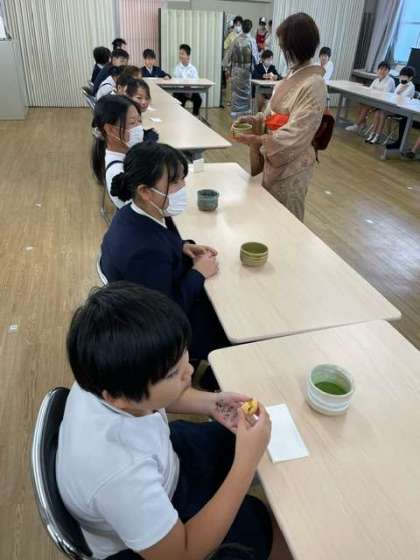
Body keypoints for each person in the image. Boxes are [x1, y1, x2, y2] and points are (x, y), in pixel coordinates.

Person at [56, 282, 291, 560]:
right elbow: (182, 554)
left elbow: (149, 399)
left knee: (236, 439)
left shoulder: (103, 374)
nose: (190, 370)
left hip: (165, 463)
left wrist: (211, 403)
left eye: (184, 357)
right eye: (173, 373)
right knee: (260, 524)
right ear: (117, 397)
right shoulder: (119, 472)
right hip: (152, 542)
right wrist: (245, 463)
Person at [100, 143, 230, 360]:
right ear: (145, 191)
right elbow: (168, 310)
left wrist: (182, 246)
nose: (183, 186)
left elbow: (158, 240)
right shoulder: (145, 251)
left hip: (149, 300)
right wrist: (198, 273)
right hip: (165, 330)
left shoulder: (133, 213)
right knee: (232, 321)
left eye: (182, 178)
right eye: (175, 181)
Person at [233, 12, 326, 222]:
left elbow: (297, 133)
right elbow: (270, 115)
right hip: (275, 155)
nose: (283, 52)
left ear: (295, 47)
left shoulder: (314, 84)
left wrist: (258, 139)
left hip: (293, 163)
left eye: (285, 47)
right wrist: (254, 121)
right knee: (267, 215)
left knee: (286, 219)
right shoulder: (291, 76)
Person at [91, 95, 142, 209]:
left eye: (139, 121)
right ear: (110, 129)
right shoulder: (117, 173)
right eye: (132, 123)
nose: (139, 128)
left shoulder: (125, 153)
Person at [345, 61, 395, 134]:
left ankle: (357, 125)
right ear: (378, 70)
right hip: (375, 101)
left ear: (388, 71)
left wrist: (374, 92)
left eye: (385, 70)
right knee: (361, 104)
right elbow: (369, 91)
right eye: (381, 69)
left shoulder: (390, 81)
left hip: (384, 105)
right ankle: (363, 123)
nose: (382, 71)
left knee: (365, 106)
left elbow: (384, 94)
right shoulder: (376, 80)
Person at [225, 19, 260, 118]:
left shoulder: (236, 40)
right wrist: (255, 65)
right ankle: (245, 114)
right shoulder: (252, 41)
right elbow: (255, 58)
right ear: (250, 28)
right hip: (246, 71)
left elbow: (228, 56)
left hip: (236, 70)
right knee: (246, 93)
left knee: (235, 93)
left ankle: (235, 113)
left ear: (242, 27)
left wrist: (227, 67)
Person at [116, 76, 159, 143]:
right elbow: (132, 143)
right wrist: (150, 139)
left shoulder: (134, 112)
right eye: (139, 98)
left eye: (147, 98)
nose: (144, 102)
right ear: (127, 96)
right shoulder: (123, 114)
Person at [385, 66, 416, 150]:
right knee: (381, 111)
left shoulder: (411, 86)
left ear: (410, 78)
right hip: (395, 107)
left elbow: (402, 98)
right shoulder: (401, 84)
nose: (402, 78)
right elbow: (393, 96)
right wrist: (399, 91)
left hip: (404, 110)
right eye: (401, 75)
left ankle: (399, 143)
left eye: (404, 76)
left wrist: (399, 91)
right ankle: (377, 133)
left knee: (404, 119)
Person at [173, 44, 202, 116]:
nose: (180, 56)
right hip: (180, 91)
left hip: (191, 91)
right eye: (180, 54)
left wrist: (190, 90)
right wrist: (183, 89)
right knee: (178, 100)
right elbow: (175, 82)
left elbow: (196, 82)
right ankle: (180, 116)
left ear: (188, 56)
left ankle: (195, 116)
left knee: (198, 100)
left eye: (182, 54)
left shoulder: (193, 68)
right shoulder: (177, 68)